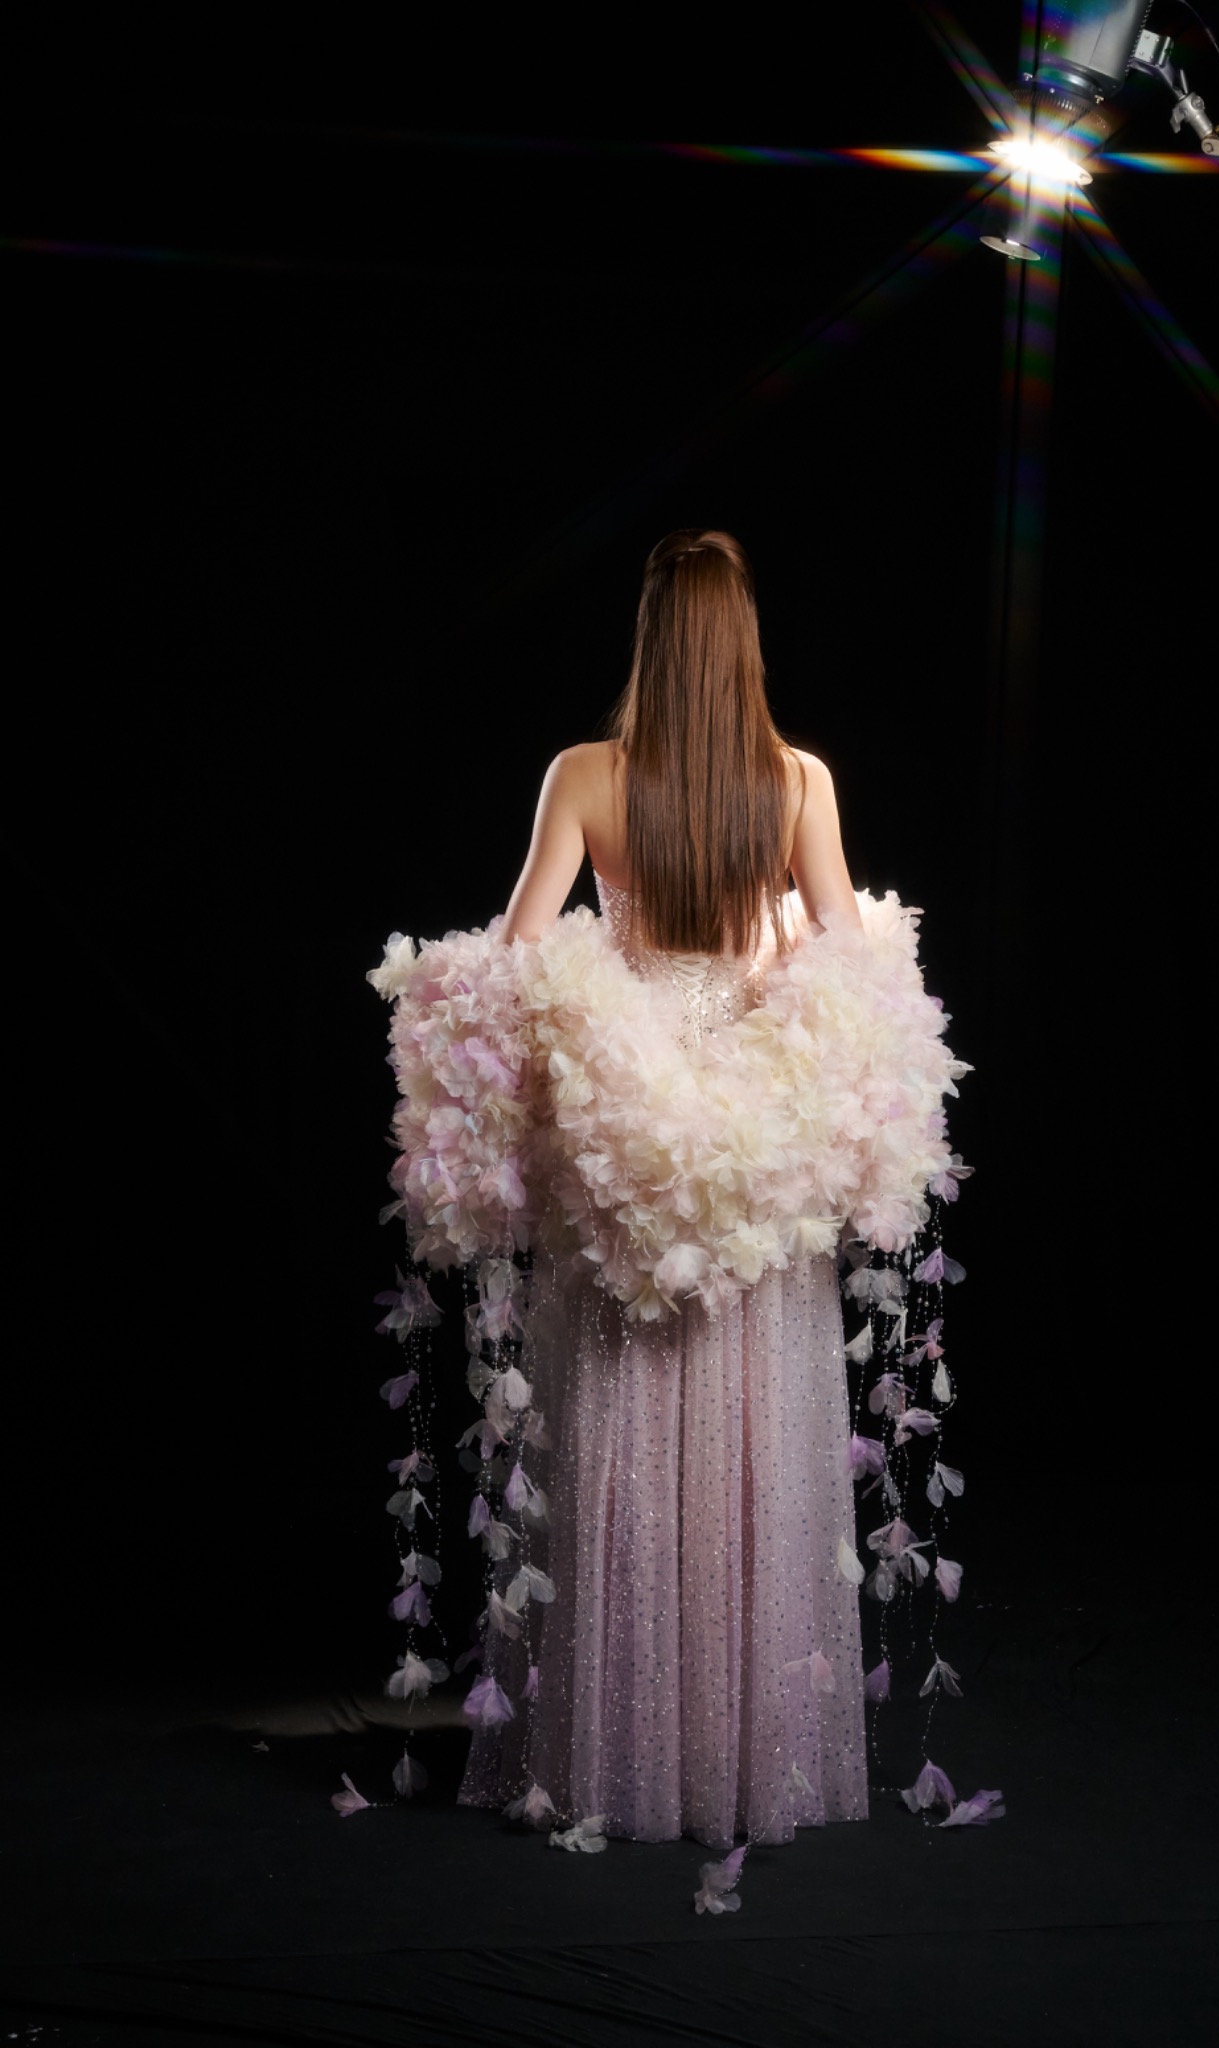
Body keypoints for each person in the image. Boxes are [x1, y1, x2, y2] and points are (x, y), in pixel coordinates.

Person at [369, 529, 967, 1853]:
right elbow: (848, 967)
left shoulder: (584, 776)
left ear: (649, 637)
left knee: (621, 1438)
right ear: (742, 642)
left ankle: (618, 1759)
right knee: (759, 1444)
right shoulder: (796, 780)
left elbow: (517, 959)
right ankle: (742, 1764)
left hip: (627, 1155)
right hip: (754, 1160)